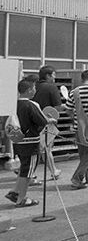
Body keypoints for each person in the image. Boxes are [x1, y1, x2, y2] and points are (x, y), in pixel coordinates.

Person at [4, 79, 54, 207]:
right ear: (29, 90)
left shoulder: (14, 105)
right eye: (34, 88)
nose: (35, 90)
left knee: (24, 168)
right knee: (28, 172)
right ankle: (21, 198)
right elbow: (41, 121)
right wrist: (50, 120)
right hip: (31, 143)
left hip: (18, 142)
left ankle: (15, 191)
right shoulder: (31, 105)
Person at [30, 66, 64, 180]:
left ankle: (25, 170)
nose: (54, 78)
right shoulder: (51, 87)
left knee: (35, 148)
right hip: (47, 122)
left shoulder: (32, 87)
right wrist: (65, 106)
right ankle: (53, 171)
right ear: (48, 75)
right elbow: (57, 107)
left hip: (31, 122)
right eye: (53, 75)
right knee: (46, 148)